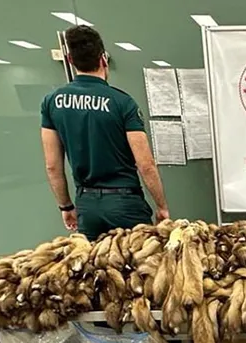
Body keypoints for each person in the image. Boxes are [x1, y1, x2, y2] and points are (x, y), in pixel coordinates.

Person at [40, 25, 169, 241]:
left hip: (87, 205)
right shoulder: (122, 102)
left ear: (70, 60)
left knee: (95, 262)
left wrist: (66, 206)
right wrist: (161, 207)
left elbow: (52, 166)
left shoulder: (52, 102)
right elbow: (146, 164)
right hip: (125, 204)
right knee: (139, 261)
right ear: (103, 59)